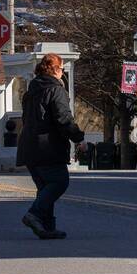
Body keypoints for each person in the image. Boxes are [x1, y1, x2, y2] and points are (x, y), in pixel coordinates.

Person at [16, 52, 84, 239]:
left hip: (29, 148)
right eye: (61, 69)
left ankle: (46, 227)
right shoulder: (56, 90)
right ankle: (34, 214)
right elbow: (63, 119)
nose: (62, 73)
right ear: (54, 69)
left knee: (45, 187)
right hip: (47, 148)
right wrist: (78, 137)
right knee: (59, 182)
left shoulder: (31, 92)